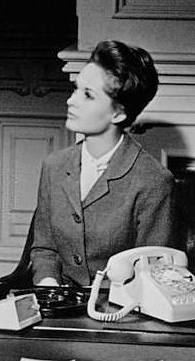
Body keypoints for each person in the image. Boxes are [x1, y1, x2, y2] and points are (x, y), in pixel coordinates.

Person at [30, 39, 173, 287]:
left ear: (118, 113)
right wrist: (49, 288)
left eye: (87, 95)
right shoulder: (54, 166)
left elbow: (153, 273)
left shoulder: (154, 180)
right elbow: (44, 249)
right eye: (76, 89)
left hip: (121, 313)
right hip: (58, 307)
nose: (70, 101)